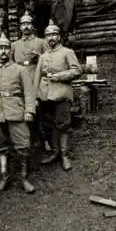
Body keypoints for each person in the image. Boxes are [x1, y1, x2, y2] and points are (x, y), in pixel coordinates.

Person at [0, 33, 36, 194]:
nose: (3, 51)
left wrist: (29, 110)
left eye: (6, 48)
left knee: (23, 145)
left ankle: (24, 179)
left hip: (16, 111)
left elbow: (29, 93)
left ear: (10, 50)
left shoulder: (20, 70)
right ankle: (5, 177)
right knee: (1, 147)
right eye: (0, 48)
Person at [34, 20, 83, 171]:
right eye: (48, 35)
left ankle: (64, 155)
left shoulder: (67, 52)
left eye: (54, 34)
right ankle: (55, 152)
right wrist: (35, 96)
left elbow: (77, 70)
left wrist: (60, 76)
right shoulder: (43, 56)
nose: (51, 38)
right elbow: (37, 77)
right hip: (45, 96)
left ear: (59, 37)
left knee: (63, 125)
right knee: (48, 125)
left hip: (61, 94)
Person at [11, 10, 50, 154]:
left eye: (28, 24)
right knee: (22, 110)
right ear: (20, 27)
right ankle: (27, 140)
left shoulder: (41, 42)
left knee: (40, 111)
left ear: (32, 26)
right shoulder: (14, 45)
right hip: (20, 80)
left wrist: (40, 57)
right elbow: (10, 63)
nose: (26, 27)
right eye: (23, 24)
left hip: (36, 78)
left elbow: (50, 59)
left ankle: (45, 139)